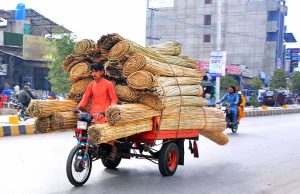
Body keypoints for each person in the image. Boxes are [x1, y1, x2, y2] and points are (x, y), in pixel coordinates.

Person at [77, 62, 118, 159]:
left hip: (104, 115)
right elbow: (85, 98)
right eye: (92, 72)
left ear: (102, 72)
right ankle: (86, 145)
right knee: (80, 127)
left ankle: (113, 148)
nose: (93, 74)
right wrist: (79, 107)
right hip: (92, 115)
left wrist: (111, 109)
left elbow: (114, 99)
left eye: (96, 72)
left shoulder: (108, 84)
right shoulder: (91, 84)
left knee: (107, 130)